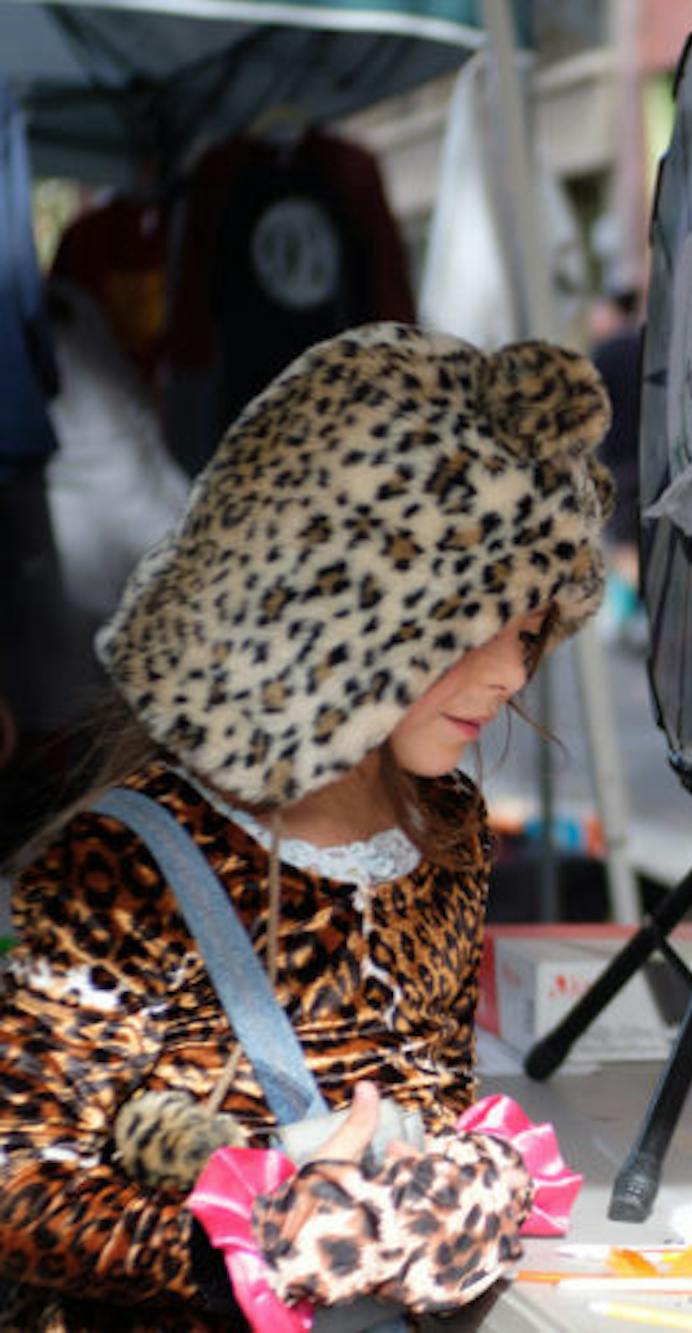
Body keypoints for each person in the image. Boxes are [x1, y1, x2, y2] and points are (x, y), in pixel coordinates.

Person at [0, 322, 610, 1329]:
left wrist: (452, 1179)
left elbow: (428, 1091)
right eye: (474, 623)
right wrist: (249, 1240)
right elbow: (23, 1180)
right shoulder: (114, 868)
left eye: (532, 629)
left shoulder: (447, 829)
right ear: (335, 611)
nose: (509, 674)